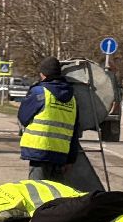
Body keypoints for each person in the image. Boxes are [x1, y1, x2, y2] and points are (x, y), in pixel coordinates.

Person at [19, 57, 99, 190]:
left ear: (43, 74)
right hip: (61, 156)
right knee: (56, 194)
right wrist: (70, 159)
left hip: (39, 152)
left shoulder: (40, 92)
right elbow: (74, 131)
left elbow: (23, 116)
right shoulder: (72, 99)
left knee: (36, 192)